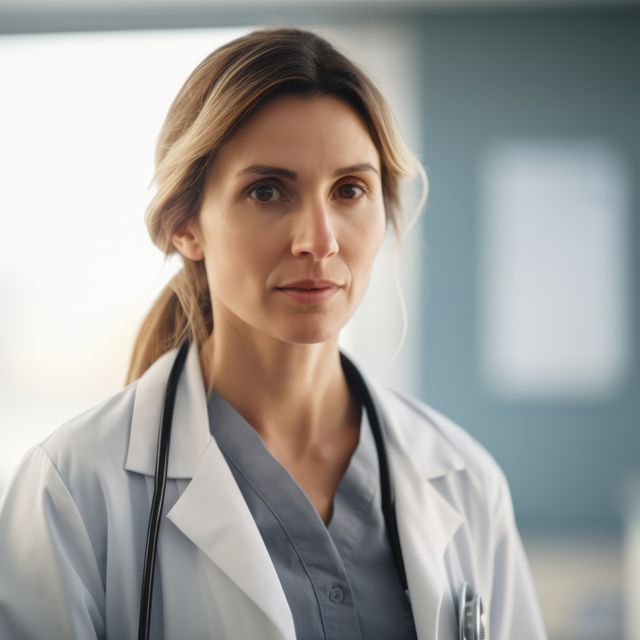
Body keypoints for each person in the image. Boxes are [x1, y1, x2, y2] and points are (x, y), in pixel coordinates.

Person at [0, 27, 547, 640]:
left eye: (349, 190)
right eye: (268, 190)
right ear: (187, 226)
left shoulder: (466, 480)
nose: (319, 240)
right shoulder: (74, 489)